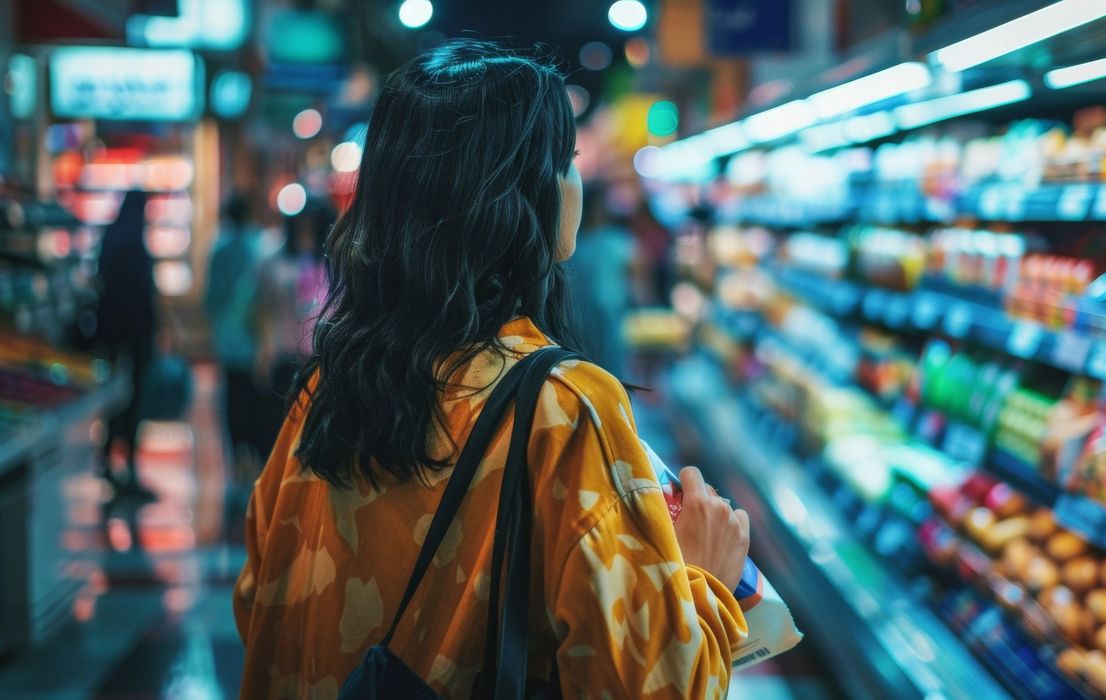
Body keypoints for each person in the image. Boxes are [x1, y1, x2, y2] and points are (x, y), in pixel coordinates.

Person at [234, 40, 749, 699]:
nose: (576, 184)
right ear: (521, 194)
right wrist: (705, 581)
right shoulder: (562, 405)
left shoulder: (323, 388)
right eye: (563, 163)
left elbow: (258, 606)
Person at [251, 197, 334, 457]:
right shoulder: (275, 260)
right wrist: (263, 348)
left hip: (320, 357)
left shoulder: (333, 262)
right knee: (279, 427)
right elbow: (261, 307)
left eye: (311, 223)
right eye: (301, 223)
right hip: (283, 353)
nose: (305, 228)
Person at [95, 189, 157, 498]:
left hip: (110, 335)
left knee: (113, 401)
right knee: (133, 403)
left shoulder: (112, 238)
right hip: (135, 336)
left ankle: (107, 460)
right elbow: (143, 296)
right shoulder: (135, 245)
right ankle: (127, 465)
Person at [204, 194, 267, 476]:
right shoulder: (260, 245)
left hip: (228, 336)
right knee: (256, 396)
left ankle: (236, 456)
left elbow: (212, 296)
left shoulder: (220, 248)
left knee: (232, 397)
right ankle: (256, 454)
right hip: (254, 335)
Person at [565, 183, 635, 377]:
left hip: (607, 311)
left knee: (609, 360)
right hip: (587, 313)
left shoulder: (613, 240)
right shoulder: (578, 244)